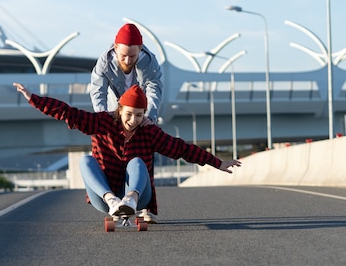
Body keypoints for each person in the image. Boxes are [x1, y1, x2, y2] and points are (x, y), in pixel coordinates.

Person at [13, 82, 241, 223]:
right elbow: (68, 114)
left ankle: (130, 200)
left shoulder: (149, 132)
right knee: (86, 161)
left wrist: (216, 162)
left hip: (140, 198)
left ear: (145, 114)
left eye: (139, 115)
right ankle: (113, 200)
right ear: (119, 110)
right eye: (129, 114)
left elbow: (181, 148)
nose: (133, 121)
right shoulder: (101, 123)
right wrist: (35, 99)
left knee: (137, 163)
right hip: (105, 198)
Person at [90, 23, 162, 126]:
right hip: (113, 114)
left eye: (132, 56)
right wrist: (102, 116)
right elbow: (98, 91)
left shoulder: (150, 63)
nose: (127, 61)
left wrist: (149, 117)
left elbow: (154, 90)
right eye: (123, 56)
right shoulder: (105, 62)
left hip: (139, 119)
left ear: (140, 48)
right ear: (116, 47)